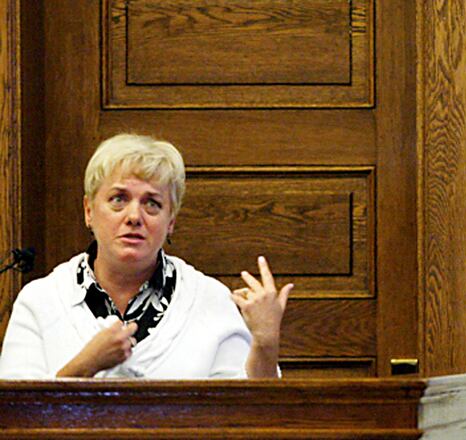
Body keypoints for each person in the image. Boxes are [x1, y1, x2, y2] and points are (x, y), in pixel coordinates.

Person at [0, 133, 293, 379]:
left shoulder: (210, 300)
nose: (134, 217)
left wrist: (266, 344)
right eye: (118, 200)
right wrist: (84, 366)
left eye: (152, 204)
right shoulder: (40, 301)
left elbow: (250, 418)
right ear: (89, 211)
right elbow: (14, 420)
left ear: (171, 222)